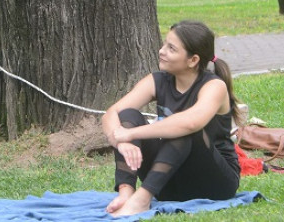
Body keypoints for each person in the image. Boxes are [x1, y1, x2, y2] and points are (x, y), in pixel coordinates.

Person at [101, 20, 242, 218]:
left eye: (171, 48)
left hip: (215, 184)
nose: (161, 51)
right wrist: (121, 141)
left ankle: (142, 199)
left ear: (193, 60)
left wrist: (131, 133)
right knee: (128, 115)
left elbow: (190, 123)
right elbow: (111, 113)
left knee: (184, 130)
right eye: (164, 44)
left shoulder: (213, 86)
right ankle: (126, 194)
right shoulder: (157, 80)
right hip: (168, 182)